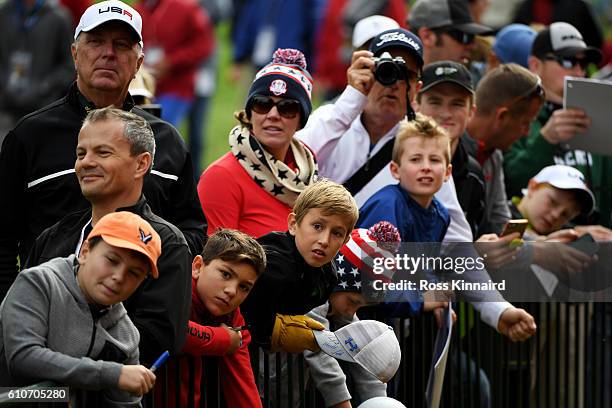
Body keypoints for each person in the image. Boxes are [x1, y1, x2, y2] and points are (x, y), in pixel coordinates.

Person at [0, 0, 207, 300]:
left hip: (143, 318)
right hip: (48, 313)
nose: (108, 54)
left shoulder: (167, 141)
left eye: (122, 45)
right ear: (74, 53)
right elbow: (3, 240)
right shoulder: (31, 136)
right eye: (96, 42)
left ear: (138, 63)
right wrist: (11, 315)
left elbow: (193, 230)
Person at [25, 107, 192, 368]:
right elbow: (18, 322)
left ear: (141, 164)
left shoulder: (166, 243)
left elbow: (157, 341)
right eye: (81, 153)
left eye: (103, 152)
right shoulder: (53, 237)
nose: (85, 162)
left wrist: (60, 363)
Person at [0, 211, 160, 406]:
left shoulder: (126, 336)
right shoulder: (39, 283)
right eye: (112, 260)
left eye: (134, 273)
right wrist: (110, 374)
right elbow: (23, 357)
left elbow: (126, 404)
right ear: (84, 252)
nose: (119, 276)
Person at [198, 48, 318, 238]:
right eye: (262, 104)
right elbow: (218, 261)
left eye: (287, 108)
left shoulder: (309, 168)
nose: (272, 115)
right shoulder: (221, 176)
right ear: (250, 113)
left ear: (301, 120)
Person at [503, 22, 612, 228]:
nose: (578, 71)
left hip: (596, 246)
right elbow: (510, 182)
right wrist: (546, 140)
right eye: (568, 62)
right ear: (535, 65)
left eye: (583, 64)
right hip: (532, 240)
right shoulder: (518, 116)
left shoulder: (599, 119)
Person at [240, 179, 359, 351]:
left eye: (336, 233)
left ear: (345, 241)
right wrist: (274, 329)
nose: (324, 241)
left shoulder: (328, 277)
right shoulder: (270, 265)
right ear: (293, 224)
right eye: (317, 226)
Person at [168, 229, 266, 408]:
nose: (232, 291)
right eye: (226, 274)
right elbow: (169, 329)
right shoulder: (173, 289)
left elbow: (243, 386)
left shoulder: (233, 317)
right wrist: (222, 339)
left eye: (244, 287)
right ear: (197, 266)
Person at [466, 63, 545, 235]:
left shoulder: (493, 155)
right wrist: (538, 251)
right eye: (525, 123)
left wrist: (547, 244)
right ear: (502, 116)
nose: (526, 133)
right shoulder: (446, 150)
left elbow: (501, 223)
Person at [414, 60, 485, 236]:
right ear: (416, 105)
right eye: (435, 102)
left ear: (471, 112)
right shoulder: (394, 161)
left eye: (457, 104)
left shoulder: (474, 173)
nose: (445, 113)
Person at [0, 0, 74, 136]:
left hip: (44, 109)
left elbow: (70, 65)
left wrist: (43, 86)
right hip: (6, 109)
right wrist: (4, 83)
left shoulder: (59, 16)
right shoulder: (4, 13)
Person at [135, 0, 213, 127]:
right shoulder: (138, 9)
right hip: (144, 84)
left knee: (160, 127)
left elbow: (204, 45)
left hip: (177, 85)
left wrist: (171, 62)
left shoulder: (185, 7)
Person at [407, 0, 492, 65]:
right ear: (427, 36)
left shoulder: (472, 78)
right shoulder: (398, 84)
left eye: (472, 37)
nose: (473, 46)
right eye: (464, 37)